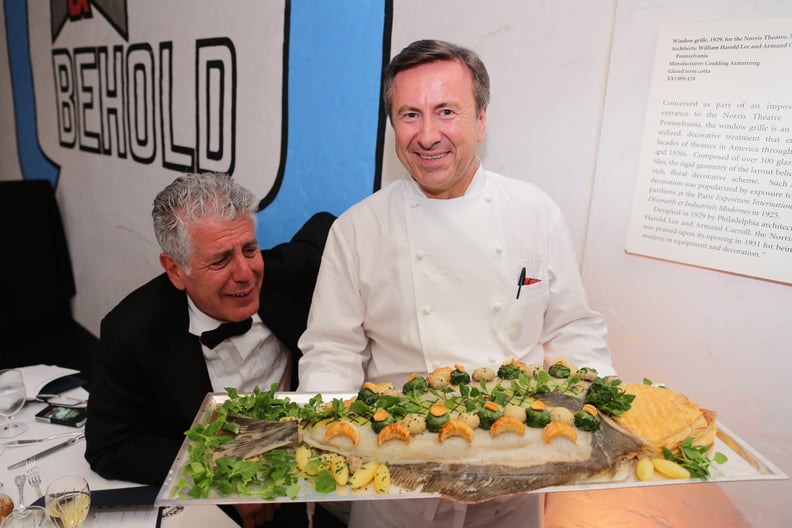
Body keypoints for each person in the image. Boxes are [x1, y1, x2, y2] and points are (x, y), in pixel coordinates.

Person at [297, 40, 616, 528]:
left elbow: (572, 330)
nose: (427, 135)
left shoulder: (534, 212)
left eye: (446, 111)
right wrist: (325, 443)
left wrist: (598, 424)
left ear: (481, 119)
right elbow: (332, 351)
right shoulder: (358, 229)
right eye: (409, 115)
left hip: (516, 477)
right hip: (396, 480)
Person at [85, 172, 340, 528]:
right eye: (220, 261)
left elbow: (327, 226)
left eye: (249, 249)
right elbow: (108, 447)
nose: (245, 274)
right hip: (207, 504)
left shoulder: (288, 274)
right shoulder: (133, 331)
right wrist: (220, 474)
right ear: (175, 270)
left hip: (289, 487)